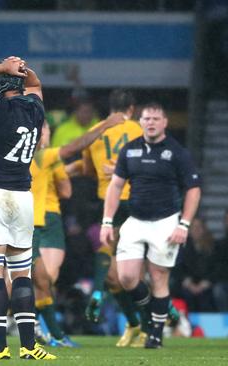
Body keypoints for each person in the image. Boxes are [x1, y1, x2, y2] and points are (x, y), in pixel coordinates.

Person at [0, 56, 55, 360]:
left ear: (0, 88)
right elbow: (36, 84)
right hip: (22, 198)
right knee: (21, 275)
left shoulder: (0, 110)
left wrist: (3, 67)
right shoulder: (36, 110)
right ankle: (29, 346)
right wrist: (23, 68)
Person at [100, 102, 201, 349]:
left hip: (166, 222)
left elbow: (193, 189)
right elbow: (115, 186)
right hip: (135, 220)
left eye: (156, 118)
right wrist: (107, 221)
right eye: (147, 118)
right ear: (140, 122)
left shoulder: (177, 152)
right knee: (126, 278)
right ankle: (154, 314)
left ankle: (155, 334)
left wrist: (184, 224)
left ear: (165, 122)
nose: (151, 122)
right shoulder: (130, 149)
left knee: (158, 277)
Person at [30, 112, 125, 348]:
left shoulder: (22, 158)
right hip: (46, 221)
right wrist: (104, 126)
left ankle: (34, 325)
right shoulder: (45, 156)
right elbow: (67, 191)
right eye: (46, 130)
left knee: (34, 281)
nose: (48, 133)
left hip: (22, 222)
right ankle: (42, 328)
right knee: (45, 279)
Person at [82, 89, 147, 347]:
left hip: (107, 199)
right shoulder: (139, 129)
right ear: (131, 108)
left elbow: (88, 170)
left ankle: (148, 321)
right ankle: (138, 324)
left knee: (116, 265)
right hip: (136, 199)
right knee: (121, 273)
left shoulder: (96, 131)